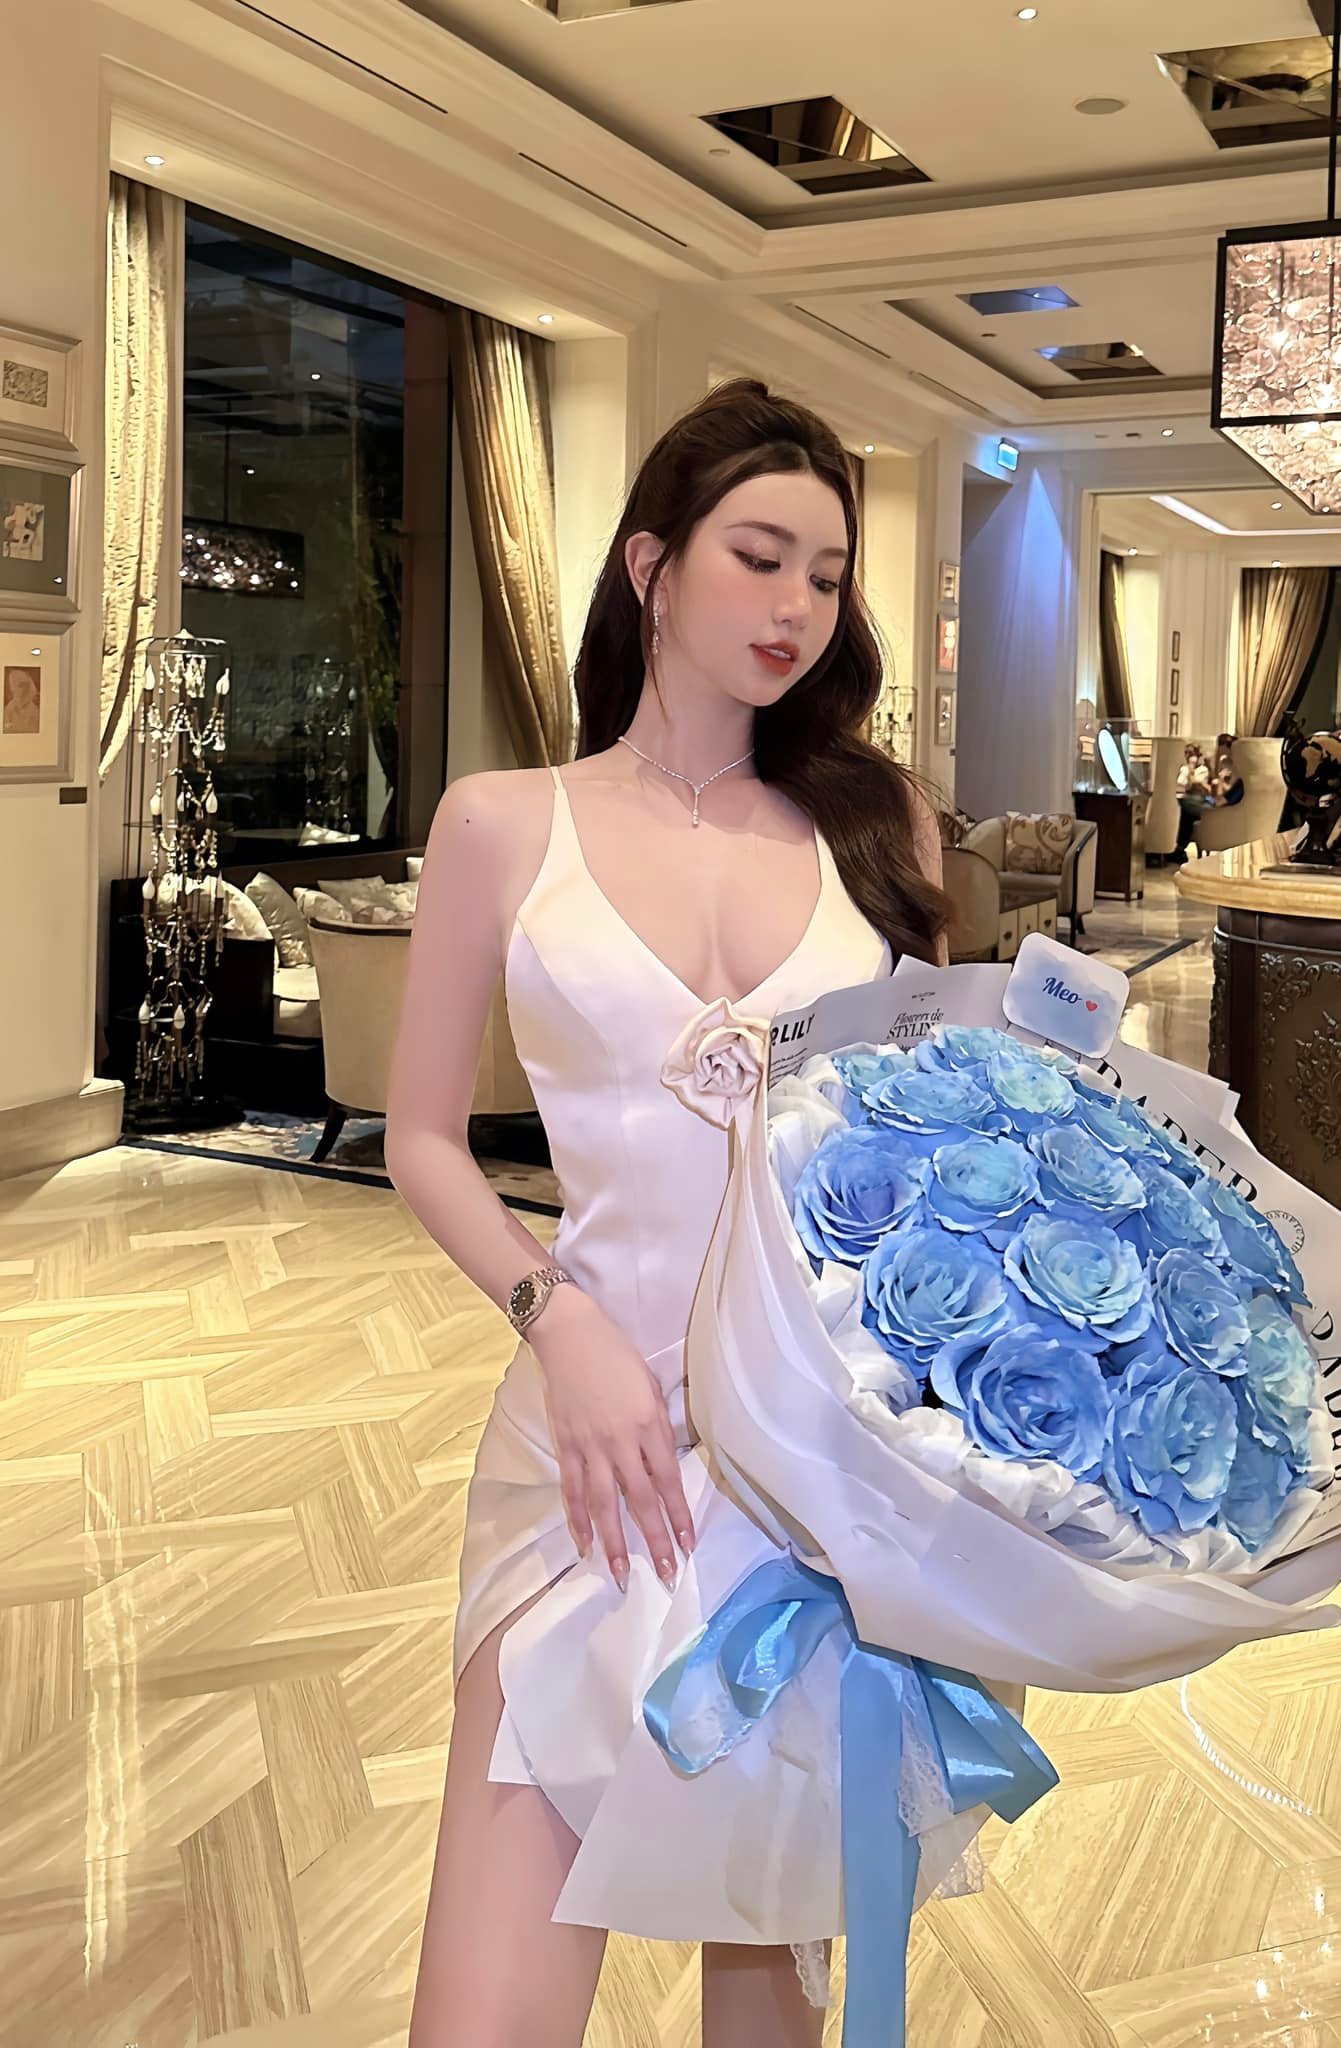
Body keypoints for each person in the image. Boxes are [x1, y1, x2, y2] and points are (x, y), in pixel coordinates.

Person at [387, 378, 968, 2048]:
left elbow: (922, 1144)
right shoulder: (505, 821)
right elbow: (421, 1137)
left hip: (804, 1470)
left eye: (825, 574)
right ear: (652, 564)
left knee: (767, 1994)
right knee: (485, 2015)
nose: (795, 605)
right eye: (757, 556)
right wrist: (551, 1316)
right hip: (590, 1455)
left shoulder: (878, 829)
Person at [1170, 741, 1211, 861]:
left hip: (1197, 800)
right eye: (1188, 754)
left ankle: (1180, 848)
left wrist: (1191, 770)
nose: (1190, 757)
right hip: (1182, 797)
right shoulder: (1183, 769)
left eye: (1192, 754)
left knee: (1185, 810)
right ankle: (1175, 848)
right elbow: (1179, 784)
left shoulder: (1203, 770)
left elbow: (1193, 786)